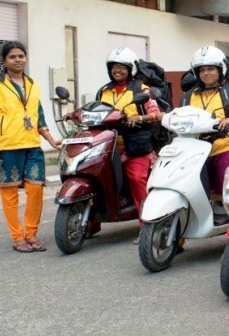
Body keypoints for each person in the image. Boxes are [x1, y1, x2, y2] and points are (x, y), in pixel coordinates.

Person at [0, 41, 62, 253]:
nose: (18, 60)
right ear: (4, 61)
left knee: (35, 190)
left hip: (32, 146)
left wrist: (51, 140)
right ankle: (17, 237)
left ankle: (31, 234)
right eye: (13, 57)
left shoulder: (33, 84)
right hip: (6, 146)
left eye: (21, 56)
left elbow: (39, 116)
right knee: (9, 194)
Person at [98, 47, 162, 244]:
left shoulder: (140, 89)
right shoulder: (104, 91)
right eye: (114, 67)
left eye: (122, 67)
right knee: (98, 175)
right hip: (108, 145)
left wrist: (139, 117)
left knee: (136, 178)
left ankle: (146, 226)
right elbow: (95, 110)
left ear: (130, 69)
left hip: (135, 145)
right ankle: (91, 222)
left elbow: (156, 113)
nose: (117, 70)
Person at [181, 46, 229, 221]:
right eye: (202, 70)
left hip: (225, 146)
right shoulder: (188, 97)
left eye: (211, 69)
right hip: (194, 150)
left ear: (220, 70)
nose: (206, 73)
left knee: (227, 182)